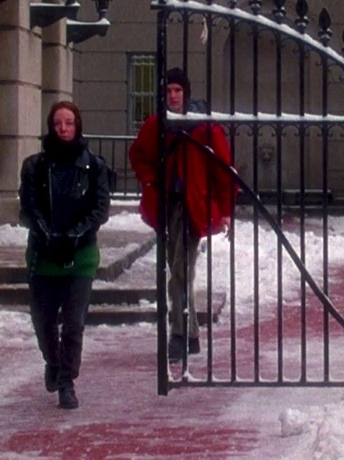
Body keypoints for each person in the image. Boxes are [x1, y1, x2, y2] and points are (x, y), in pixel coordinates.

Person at [128, 67, 235, 361]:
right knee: (178, 272)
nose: (173, 96)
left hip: (193, 205)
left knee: (179, 271)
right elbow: (138, 155)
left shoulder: (204, 127)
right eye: (169, 91)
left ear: (186, 93)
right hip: (167, 205)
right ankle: (191, 335)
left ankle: (179, 334)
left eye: (178, 90)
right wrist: (151, 180)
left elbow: (223, 170)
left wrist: (224, 210)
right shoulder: (155, 125)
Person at [19, 100, 111, 410]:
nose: (63, 128)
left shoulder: (94, 166)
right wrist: (47, 233)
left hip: (80, 255)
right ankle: (52, 360)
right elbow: (28, 207)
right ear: (50, 126)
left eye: (69, 122)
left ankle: (66, 381)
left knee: (73, 322)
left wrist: (76, 235)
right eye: (58, 122)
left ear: (78, 125)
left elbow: (100, 209)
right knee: (44, 322)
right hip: (43, 255)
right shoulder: (35, 166)